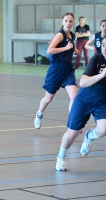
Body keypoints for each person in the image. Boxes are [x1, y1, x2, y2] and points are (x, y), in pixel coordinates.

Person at [55, 35, 106, 171]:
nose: (105, 48)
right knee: (72, 133)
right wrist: (101, 75)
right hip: (85, 99)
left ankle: (89, 136)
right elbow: (83, 82)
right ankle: (61, 156)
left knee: (104, 129)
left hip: (102, 100)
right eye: (104, 45)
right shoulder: (97, 59)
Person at [34, 12, 80, 129]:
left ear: (73, 22)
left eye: (70, 21)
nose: (68, 23)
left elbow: (69, 45)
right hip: (56, 70)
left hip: (68, 70)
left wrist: (74, 49)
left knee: (74, 97)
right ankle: (39, 114)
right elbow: (50, 50)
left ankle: (72, 123)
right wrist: (67, 48)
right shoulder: (60, 35)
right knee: (48, 98)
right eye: (66, 21)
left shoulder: (72, 35)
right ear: (62, 22)